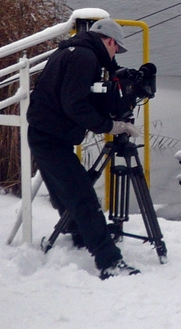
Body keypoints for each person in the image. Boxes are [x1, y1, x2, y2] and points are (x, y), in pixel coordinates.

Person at [26, 17, 141, 279]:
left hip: (46, 133)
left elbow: (72, 97)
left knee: (66, 192)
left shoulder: (72, 51)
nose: (115, 55)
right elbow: (74, 105)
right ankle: (109, 262)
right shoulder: (85, 59)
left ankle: (80, 233)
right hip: (51, 138)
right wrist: (110, 126)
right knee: (83, 198)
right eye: (116, 49)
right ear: (110, 41)